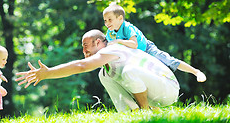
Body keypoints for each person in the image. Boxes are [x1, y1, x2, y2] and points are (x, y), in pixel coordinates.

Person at [16, 29, 180, 112]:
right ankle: (135, 115)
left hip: (168, 87)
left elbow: (81, 66)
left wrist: (48, 73)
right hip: (157, 91)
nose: (84, 52)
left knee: (128, 71)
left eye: (86, 46)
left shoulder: (113, 49)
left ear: (100, 43)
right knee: (105, 75)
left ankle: (145, 112)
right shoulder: (109, 62)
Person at [103, 3, 206, 82]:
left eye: (110, 20)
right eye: (105, 20)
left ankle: (196, 72)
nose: (107, 23)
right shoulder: (110, 33)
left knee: (168, 60)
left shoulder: (127, 27)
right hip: (133, 56)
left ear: (120, 18)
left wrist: (118, 41)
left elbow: (134, 44)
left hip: (147, 49)